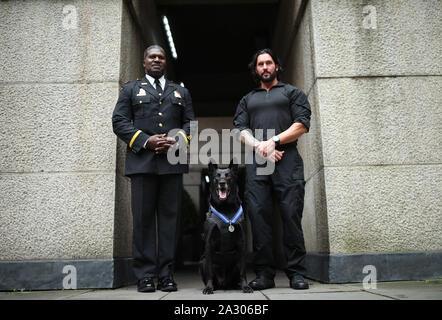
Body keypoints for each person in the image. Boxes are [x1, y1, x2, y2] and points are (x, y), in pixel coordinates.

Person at [112, 45, 195, 292]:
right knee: (143, 221)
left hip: (172, 164)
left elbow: (191, 124)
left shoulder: (180, 91)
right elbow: (119, 121)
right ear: (144, 62)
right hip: (142, 165)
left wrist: (177, 141)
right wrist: (146, 141)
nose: (156, 60)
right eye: (152, 57)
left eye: (160, 57)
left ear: (165, 62)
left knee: (170, 222)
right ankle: (145, 275)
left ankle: (167, 274)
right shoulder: (130, 89)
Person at [233, 48, 311, 290]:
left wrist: (274, 141)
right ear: (255, 69)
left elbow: (301, 125)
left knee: (290, 216)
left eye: (269, 63)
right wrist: (261, 147)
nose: (265, 67)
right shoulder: (248, 99)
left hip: (287, 161)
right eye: (260, 64)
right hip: (258, 163)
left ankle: (296, 273)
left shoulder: (292, 93)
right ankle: (265, 275)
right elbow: (240, 130)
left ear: (277, 66)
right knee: (259, 218)